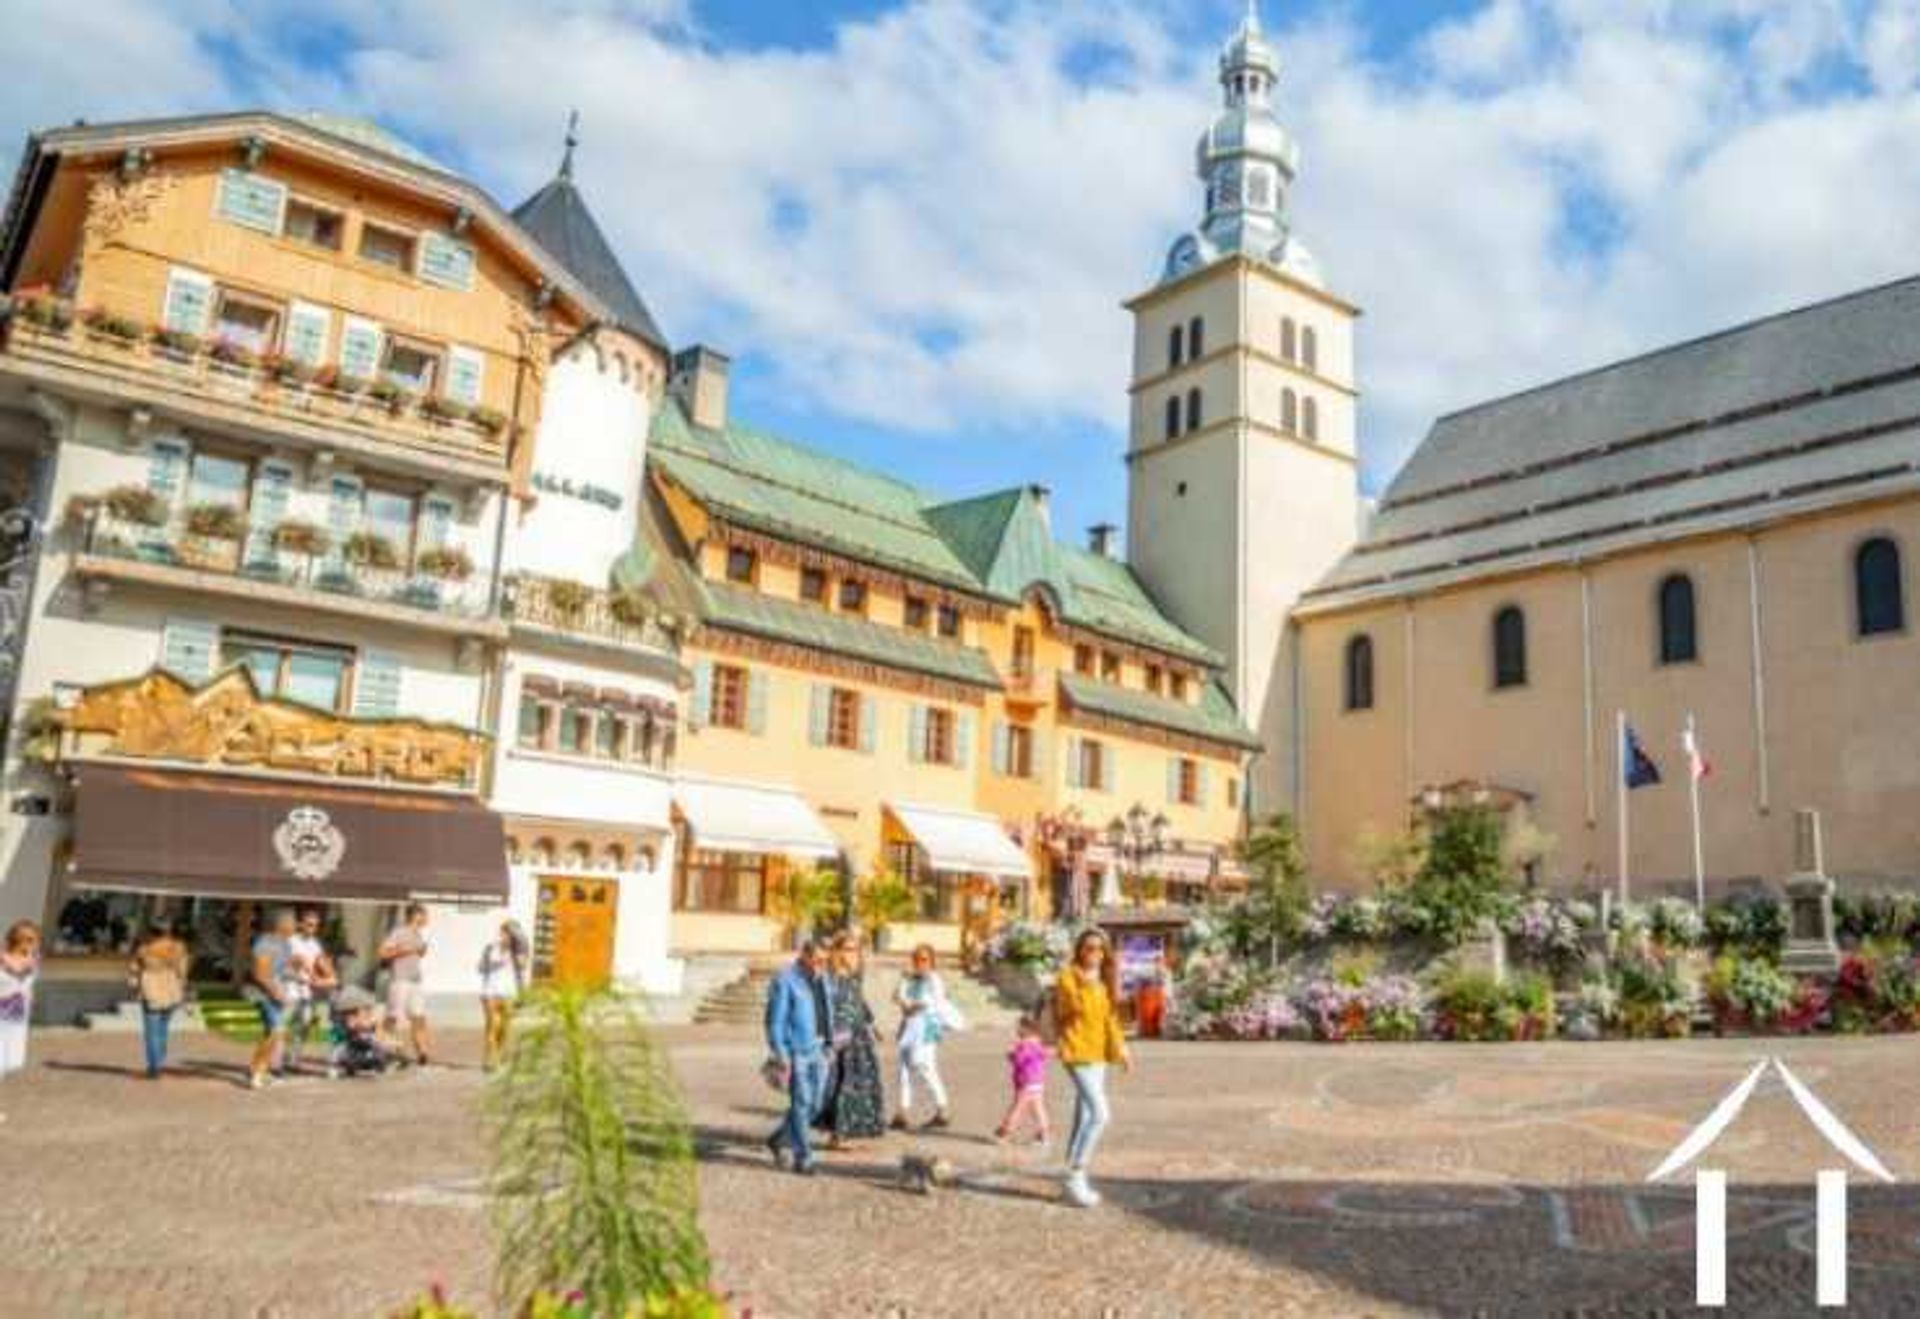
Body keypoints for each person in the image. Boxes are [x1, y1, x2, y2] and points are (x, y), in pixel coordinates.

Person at [1054, 928, 1130, 1208]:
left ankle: (1072, 1178)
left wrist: (1122, 1048)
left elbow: (1110, 1019)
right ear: (1079, 950)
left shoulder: (1103, 981)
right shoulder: (1067, 977)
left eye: (1100, 948)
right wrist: (1086, 982)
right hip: (1076, 1052)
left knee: (1084, 1115)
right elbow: (1069, 1010)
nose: (1095, 953)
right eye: (1089, 948)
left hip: (1098, 1053)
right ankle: (1075, 1173)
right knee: (1101, 1114)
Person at [764, 939, 834, 1176]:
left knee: (815, 1105)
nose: (820, 965)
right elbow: (774, 1022)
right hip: (797, 1053)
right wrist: (781, 1054)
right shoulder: (786, 980)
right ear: (804, 955)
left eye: (825, 961)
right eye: (816, 960)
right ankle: (804, 1157)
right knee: (802, 1104)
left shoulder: (823, 978)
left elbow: (827, 1010)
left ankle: (779, 1138)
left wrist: (831, 1044)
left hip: (821, 1050)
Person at [815, 931, 885, 1147]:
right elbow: (823, 1007)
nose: (853, 954)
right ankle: (837, 1135)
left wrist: (873, 1025)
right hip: (840, 1037)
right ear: (837, 951)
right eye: (848, 949)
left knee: (858, 1084)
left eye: (855, 949)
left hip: (859, 1037)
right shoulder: (829, 978)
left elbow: (860, 1002)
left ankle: (847, 1132)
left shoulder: (854, 976)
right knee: (838, 1084)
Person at [892, 943, 955, 1130]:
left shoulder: (934, 979)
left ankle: (943, 1109)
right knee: (904, 1070)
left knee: (924, 1066)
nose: (920, 963)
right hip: (909, 1027)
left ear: (932, 962)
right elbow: (896, 997)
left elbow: (931, 1004)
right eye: (916, 959)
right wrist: (905, 1008)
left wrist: (911, 1005)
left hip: (926, 1029)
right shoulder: (909, 979)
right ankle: (902, 1112)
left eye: (924, 959)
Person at [128, 919, 190, 1079]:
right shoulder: (179, 947)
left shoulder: (144, 949)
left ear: (151, 931)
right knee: (163, 1029)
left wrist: (134, 987)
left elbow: (134, 970)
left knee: (152, 1032)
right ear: (168, 931)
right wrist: (182, 988)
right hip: (171, 990)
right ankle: (159, 1061)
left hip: (151, 990)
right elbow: (183, 972)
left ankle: (154, 1067)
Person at [246, 909, 297, 1091]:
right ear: (282, 924)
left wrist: (301, 977)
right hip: (263, 994)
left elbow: (284, 970)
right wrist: (277, 993)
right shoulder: (265, 942)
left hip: (277, 993)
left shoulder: (286, 944)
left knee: (272, 1034)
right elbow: (260, 974)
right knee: (276, 1031)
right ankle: (257, 1073)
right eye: (293, 922)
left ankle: (258, 1068)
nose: (295, 925)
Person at [283, 909, 337, 1075]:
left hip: (305, 992)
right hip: (288, 989)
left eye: (315, 926)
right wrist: (304, 974)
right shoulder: (290, 941)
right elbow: (286, 965)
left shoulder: (314, 944)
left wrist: (329, 975)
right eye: (309, 925)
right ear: (301, 924)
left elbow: (321, 962)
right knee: (279, 1027)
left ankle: (293, 1060)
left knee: (303, 1027)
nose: (312, 928)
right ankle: (273, 1062)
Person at [379, 903, 432, 1067]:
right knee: (394, 1017)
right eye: (424, 915)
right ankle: (387, 1047)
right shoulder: (399, 932)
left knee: (419, 1017)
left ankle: (423, 1053)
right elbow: (382, 952)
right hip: (400, 979)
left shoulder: (419, 934)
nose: (427, 918)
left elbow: (418, 953)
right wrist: (405, 951)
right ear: (414, 915)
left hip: (415, 980)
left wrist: (422, 950)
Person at [0, 920, 42, 1119]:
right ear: (20, 940)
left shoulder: (33, 961)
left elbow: (28, 987)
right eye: (32, 940)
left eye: (36, 940)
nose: (35, 944)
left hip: (16, 1019)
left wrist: (29, 1001)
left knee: (4, 1064)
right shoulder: (2, 959)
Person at [993, 1014, 1051, 1148]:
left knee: (1017, 1108)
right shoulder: (1038, 1044)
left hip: (1025, 1082)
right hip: (1038, 1082)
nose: (1016, 1031)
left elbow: (1019, 1060)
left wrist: (1012, 1054)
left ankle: (1005, 1132)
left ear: (1026, 1029)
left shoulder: (1025, 1045)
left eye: (1018, 1028)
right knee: (1039, 1109)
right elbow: (1044, 1056)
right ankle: (1044, 1135)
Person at [478, 920, 529, 1071]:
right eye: (504, 932)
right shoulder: (490, 948)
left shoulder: (518, 950)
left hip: (509, 992)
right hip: (490, 991)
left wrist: (521, 947)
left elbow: (522, 966)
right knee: (492, 1026)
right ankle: (491, 1060)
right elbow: (480, 967)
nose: (505, 936)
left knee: (505, 1027)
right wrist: (496, 964)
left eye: (510, 933)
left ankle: (497, 1054)